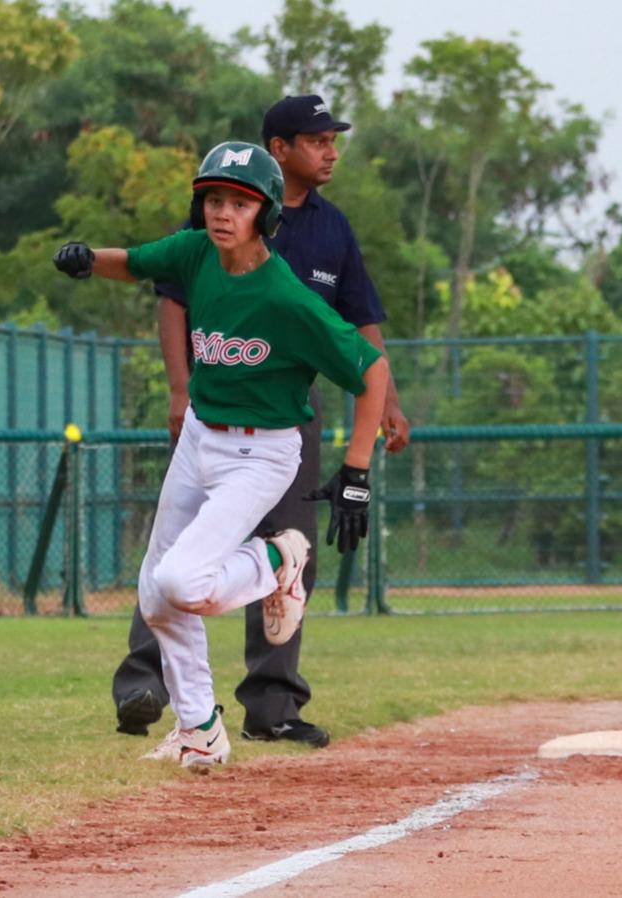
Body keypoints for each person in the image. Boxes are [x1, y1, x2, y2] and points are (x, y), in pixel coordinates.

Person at [53, 141, 389, 767]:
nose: (222, 212)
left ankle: (278, 560)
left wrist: (357, 469)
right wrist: (88, 260)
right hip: (200, 437)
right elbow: (134, 261)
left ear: (266, 215)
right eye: (213, 199)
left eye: (239, 202)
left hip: (261, 454)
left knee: (182, 581)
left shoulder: (286, 299)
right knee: (155, 594)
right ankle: (200, 729)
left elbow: (372, 371)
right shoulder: (196, 254)